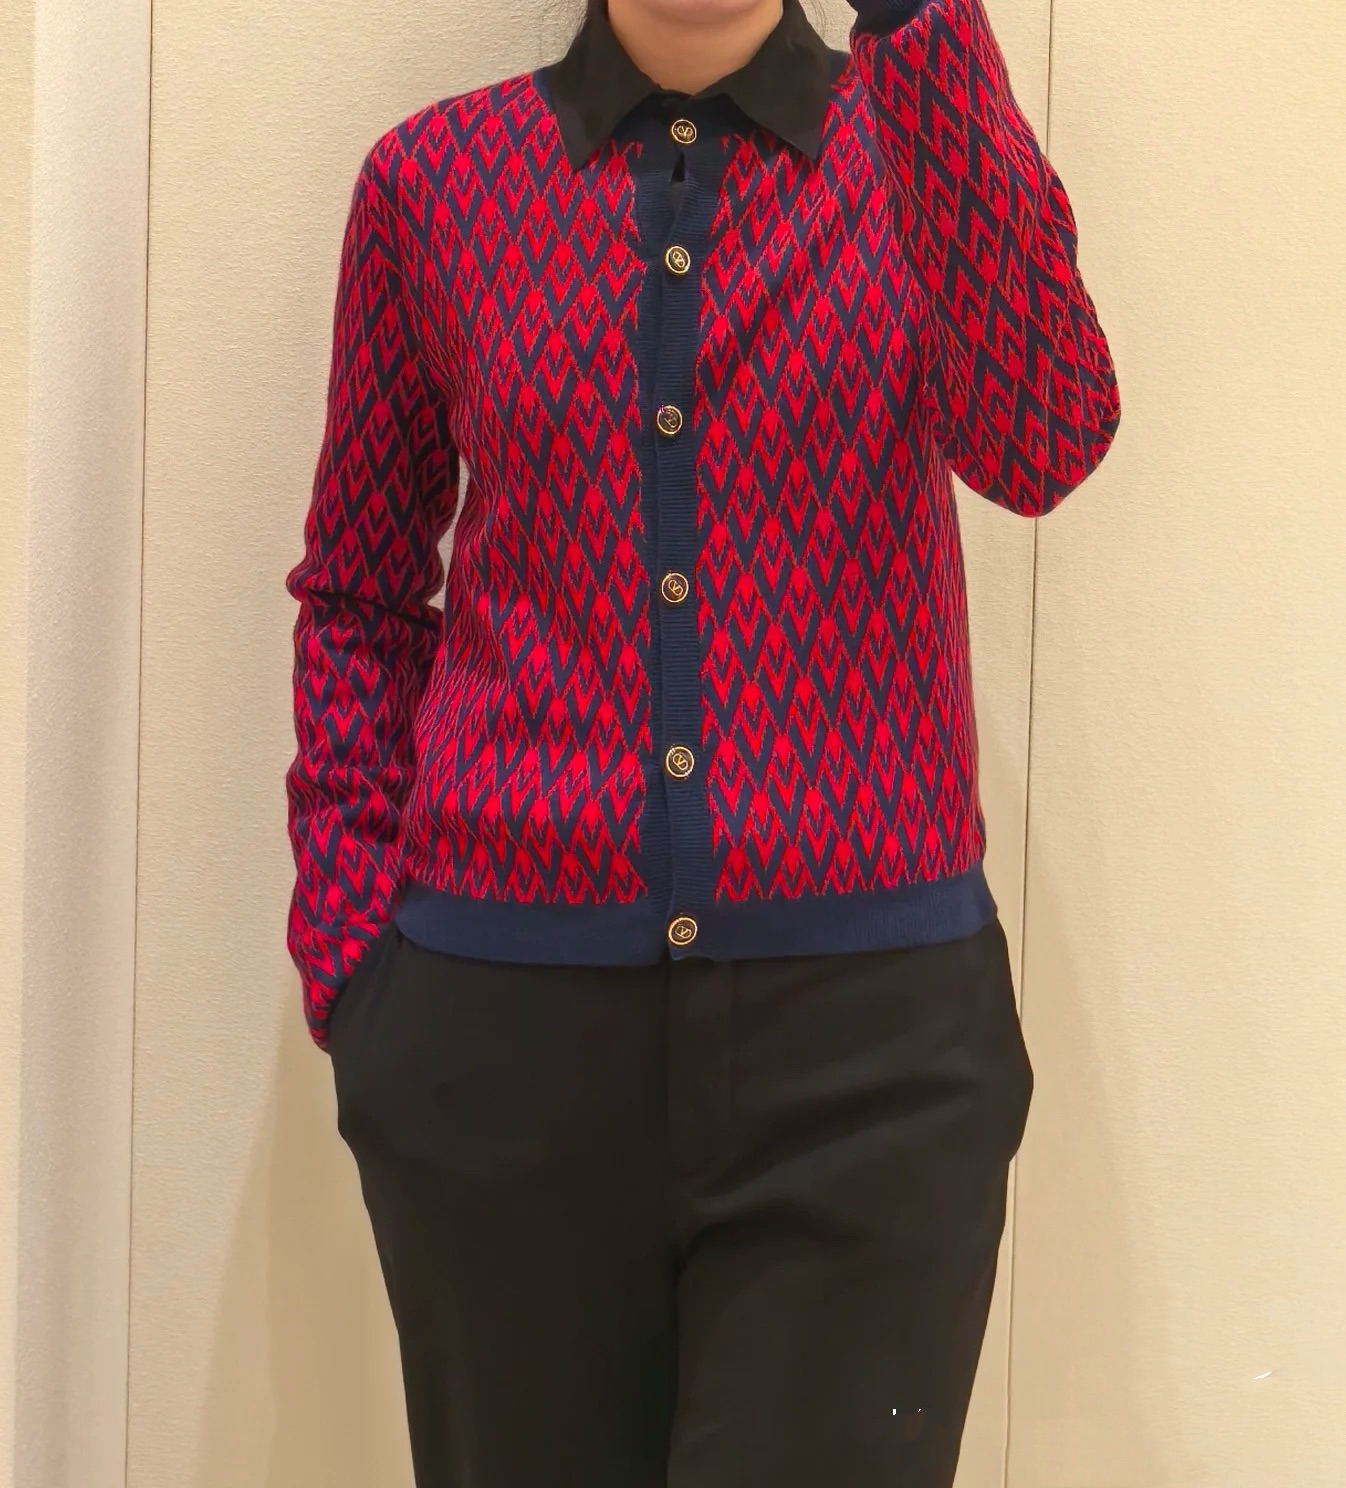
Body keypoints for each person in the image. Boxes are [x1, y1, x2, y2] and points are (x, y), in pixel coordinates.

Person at [283, 0, 1119, 1481]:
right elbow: (361, 587)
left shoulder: (916, 142)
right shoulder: (434, 181)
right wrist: (356, 957)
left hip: (870, 1057)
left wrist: (922, 26)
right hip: (499, 1043)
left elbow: (1043, 438)